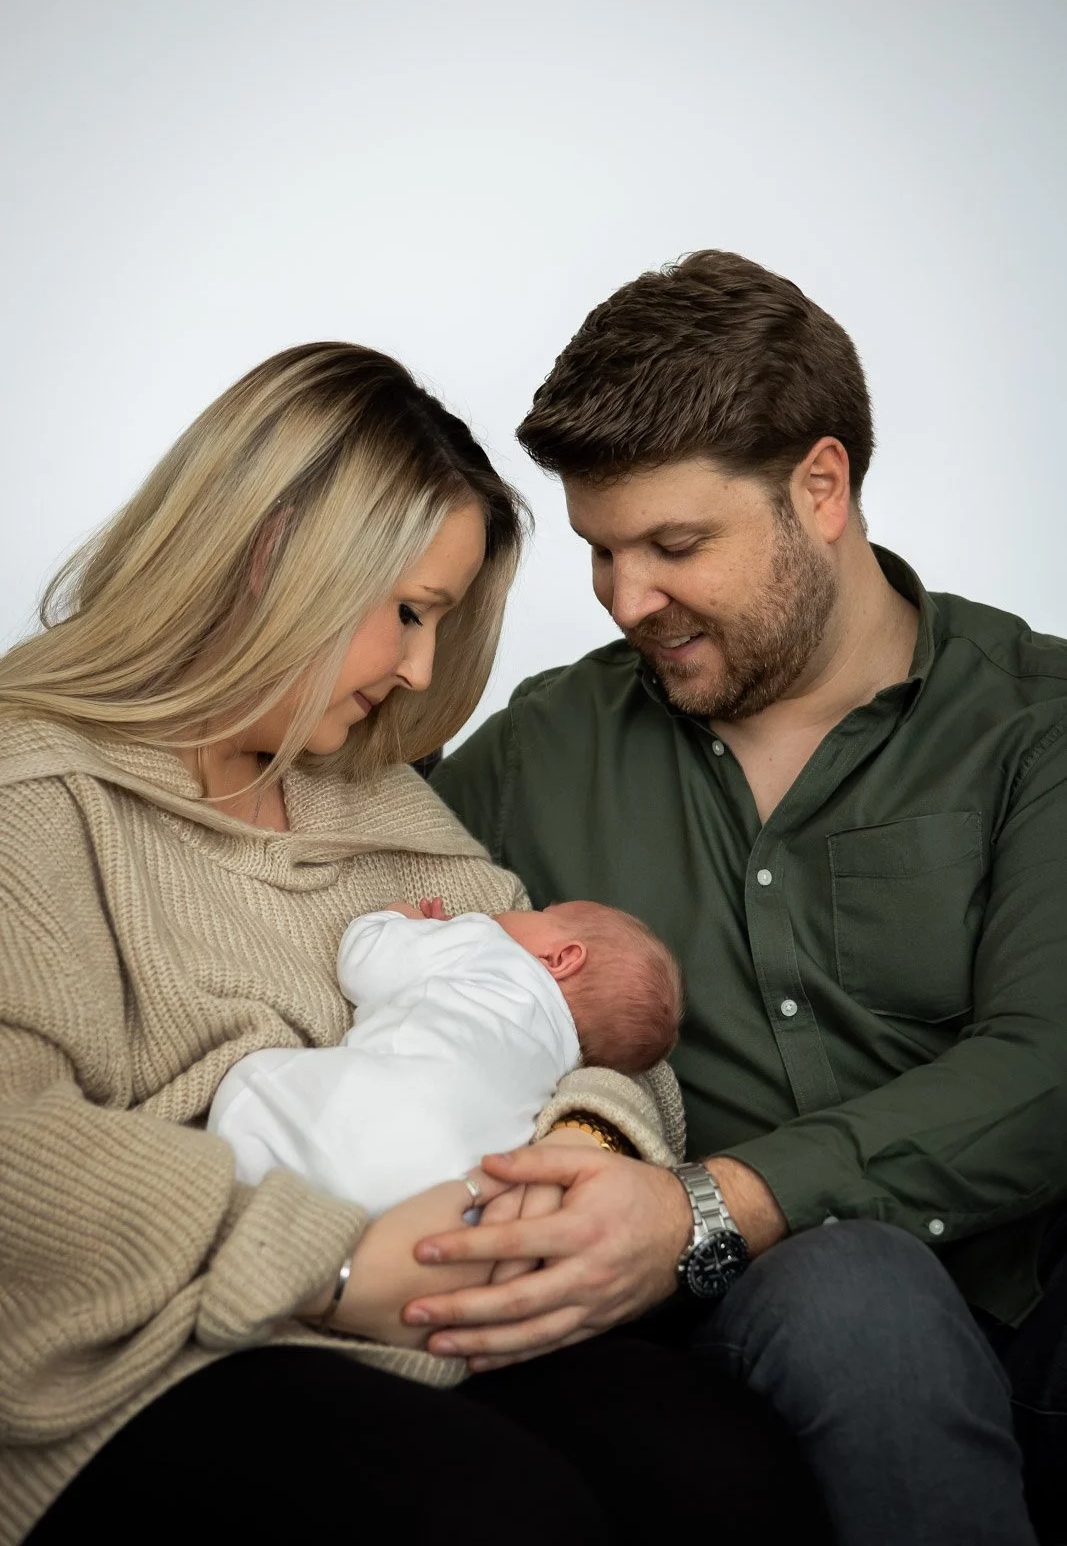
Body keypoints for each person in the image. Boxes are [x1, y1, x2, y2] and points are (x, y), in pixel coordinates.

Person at [0, 340, 827, 1546]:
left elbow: (572, 1013)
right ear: (277, 557)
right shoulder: (39, 791)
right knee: (493, 1517)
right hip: (159, 1350)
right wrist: (330, 1264)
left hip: (440, 1300)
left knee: (727, 1470)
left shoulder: (377, 801)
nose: (421, 670)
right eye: (407, 613)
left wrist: (586, 1151)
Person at [429, 252, 1067, 1545]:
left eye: (672, 546)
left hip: (1029, 1304)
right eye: (600, 551)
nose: (622, 600)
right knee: (852, 1295)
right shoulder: (538, 752)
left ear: (817, 488)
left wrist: (706, 1202)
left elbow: (1045, 1063)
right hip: (749, 1338)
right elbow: (321, 850)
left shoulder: (1032, 724)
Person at [208, 897, 682, 1229]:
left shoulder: (489, 947)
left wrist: (401, 921)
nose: (519, 908)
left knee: (253, 1083)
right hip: (439, 1196)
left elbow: (365, 963)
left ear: (560, 957)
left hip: (364, 1116)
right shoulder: (561, 1068)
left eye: (542, 911)